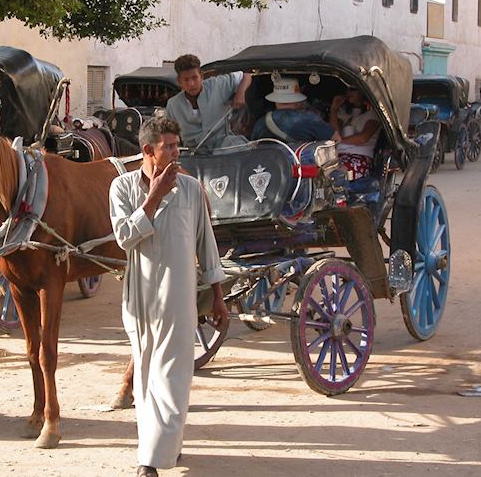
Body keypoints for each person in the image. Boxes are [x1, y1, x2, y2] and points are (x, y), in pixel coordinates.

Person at [109, 117, 228, 477]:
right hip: (140, 299)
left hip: (179, 298)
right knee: (145, 378)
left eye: (178, 145)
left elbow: (206, 244)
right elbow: (124, 237)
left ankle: (150, 460)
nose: (177, 153)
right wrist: (154, 196)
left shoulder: (191, 189)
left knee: (173, 377)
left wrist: (219, 296)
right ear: (148, 151)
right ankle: (162, 448)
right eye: (170, 147)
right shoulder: (121, 187)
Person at [165, 54, 252, 150]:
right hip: (194, 154)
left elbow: (246, 75)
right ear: (179, 81)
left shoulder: (218, 85)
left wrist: (240, 93)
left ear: (201, 76)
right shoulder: (173, 105)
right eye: (186, 80)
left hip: (224, 148)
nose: (191, 84)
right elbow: (170, 135)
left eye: (195, 78)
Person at [251, 76, 341, 143]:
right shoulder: (310, 119)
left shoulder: (261, 122)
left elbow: (254, 146)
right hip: (301, 167)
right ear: (298, 101)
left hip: (269, 167)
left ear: (276, 100)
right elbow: (336, 139)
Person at [328, 87, 381, 179]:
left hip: (361, 156)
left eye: (353, 89)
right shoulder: (344, 113)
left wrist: (339, 140)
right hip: (338, 154)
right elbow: (334, 132)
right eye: (347, 90)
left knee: (338, 173)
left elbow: (363, 138)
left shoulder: (373, 114)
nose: (348, 93)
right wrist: (334, 109)